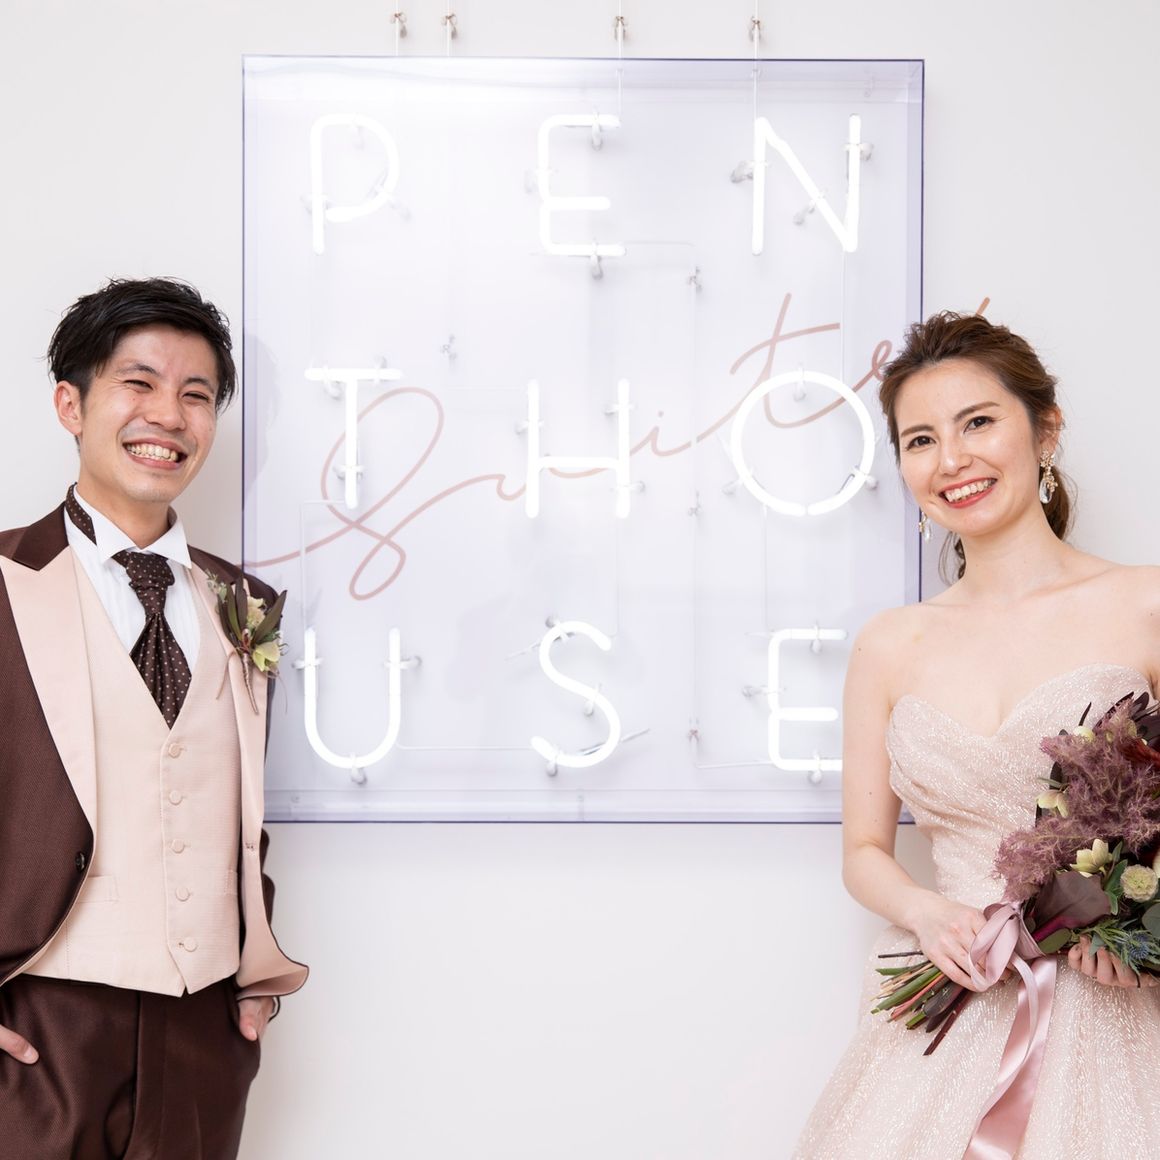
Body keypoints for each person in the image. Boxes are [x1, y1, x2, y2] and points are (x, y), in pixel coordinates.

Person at [794, 312, 1160, 1158]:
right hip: (949, 999)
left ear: (1046, 430)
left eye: (978, 423)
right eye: (920, 440)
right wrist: (927, 913)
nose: (951, 460)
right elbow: (863, 852)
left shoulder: (1144, 603)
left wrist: (1142, 932)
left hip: (1117, 1008)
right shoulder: (889, 645)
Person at [0, 278, 307, 1159]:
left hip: (204, 1030)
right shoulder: (5, 579)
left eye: (196, 394)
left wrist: (253, 970)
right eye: (138, 383)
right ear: (71, 404)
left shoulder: (245, 602)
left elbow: (235, 809)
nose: (169, 415)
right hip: (40, 1020)